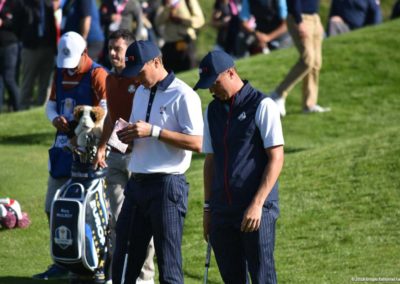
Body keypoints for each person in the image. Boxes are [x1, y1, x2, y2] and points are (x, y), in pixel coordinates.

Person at [112, 40, 203, 284]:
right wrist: (126, 137)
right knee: (123, 258)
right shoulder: (140, 90)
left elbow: (196, 142)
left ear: (156, 62)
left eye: (140, 72)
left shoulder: (184, 95)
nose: (137, 79)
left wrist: (154, 131)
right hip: (137, 183)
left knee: (168, 263)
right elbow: (138, 130)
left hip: (167, 186)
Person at [194, 50, 284, 283]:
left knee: (262, 277)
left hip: (255, 209)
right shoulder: (212, 111)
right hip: (222, 210)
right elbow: (211, 161)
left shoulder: (263, 105)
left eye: (214, 84)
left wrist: (257, 204)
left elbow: (276, 158)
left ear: (231, 73)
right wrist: (207, 209)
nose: (211, 91)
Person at [33, 31, 108, 281]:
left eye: (74, 62)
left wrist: (86, 129)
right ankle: (63, 259)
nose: (70, 69)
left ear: (85, 54)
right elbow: (51, 103)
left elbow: (107, 110)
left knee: (89, 212)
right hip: (63, 150)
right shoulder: (60, 72)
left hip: (89, 154)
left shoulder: (98, 73)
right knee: (51, 207)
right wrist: (54, 118)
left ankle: (94, 262)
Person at [93, 29, 155, 284]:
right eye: (110, 48)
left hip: (141, 157)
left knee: (144, 222)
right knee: (117, 220)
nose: (112, 53)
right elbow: (111, 117)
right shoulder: (109, 80)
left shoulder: (140, 80)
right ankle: (117, 275)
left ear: (129, 52)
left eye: (117, 48)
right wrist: (101, 147)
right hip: (117, 155)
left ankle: (145, 277)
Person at [269, 0, 330, 116]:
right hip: (300, 18)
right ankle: (278, 94)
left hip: (314, 18)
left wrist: (318, 20)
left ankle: (309, 104)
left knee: (316, 63)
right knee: (308, 60)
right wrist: (299, 21)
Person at [17, 0, 58, 109]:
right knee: (28, 81)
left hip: (48, 48)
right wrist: (25, 39)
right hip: (30, 48)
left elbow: (53, 27)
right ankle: (23, 107)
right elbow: (17, 25)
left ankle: (41, 107)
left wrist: (54, 49)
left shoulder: (48, 5)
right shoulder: (24, 4)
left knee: (44, 82)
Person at [155, 0, 205, 72]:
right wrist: (168, 8)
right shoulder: (165, 3)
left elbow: (200, 20)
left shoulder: (188, 1)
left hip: (186, 43)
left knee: (188, 70)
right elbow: (158, 22)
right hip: (170, 44)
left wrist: (181, 20)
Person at [0, 0, 21, 113]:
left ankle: (18, 106)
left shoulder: (13, 4)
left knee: (9, 78)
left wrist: (3, 22)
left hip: (10, 45)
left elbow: (15, 23)